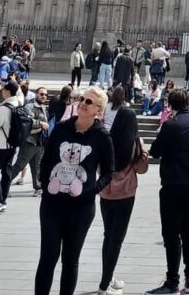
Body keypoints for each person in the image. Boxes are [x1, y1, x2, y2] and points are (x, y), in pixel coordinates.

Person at [34, 85, 114, 295]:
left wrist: (90, 191)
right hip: (52, 204)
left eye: (89, 102)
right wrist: (44, 183)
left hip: (80, 208)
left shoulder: (102, 136)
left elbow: (108, 172)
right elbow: (47, 158)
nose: (82, 104)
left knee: (71, 259)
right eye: (81, 99)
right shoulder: (61, 128)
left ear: (99, 110)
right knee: (48, 256)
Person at [146, 88, 189, 295]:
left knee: (172, 233)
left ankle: (172, 281)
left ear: (171, 105)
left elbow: (156, 151)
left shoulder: (170, 125)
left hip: (174, 184)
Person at [98, 91, 145, 295]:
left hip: (106, 190)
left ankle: (108, 277)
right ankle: (103, 285)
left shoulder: (106, 139)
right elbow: (142, 167)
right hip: (125, 191)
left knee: (108, 235)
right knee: (117, 238)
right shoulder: (134, 141)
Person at [0, 78, 23, 214]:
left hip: (1, 144)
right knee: (6, 172)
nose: (2, 91)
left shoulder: (3, 108)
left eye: (4, 89)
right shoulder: (18, 104)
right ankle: (3, 200)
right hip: (12, 144)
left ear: (7, 92)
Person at [12, 85, 49, 193]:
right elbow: (26, 122)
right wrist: (40, 123)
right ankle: (3, 183)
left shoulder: (43, 107)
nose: (44, 96)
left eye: (45, 95)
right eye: (41, 94)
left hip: (39, 141)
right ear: (36, 94)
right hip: (29, 141)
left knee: (37, 167)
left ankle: (38, 187)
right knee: (19, 165)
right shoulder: (30, 106)